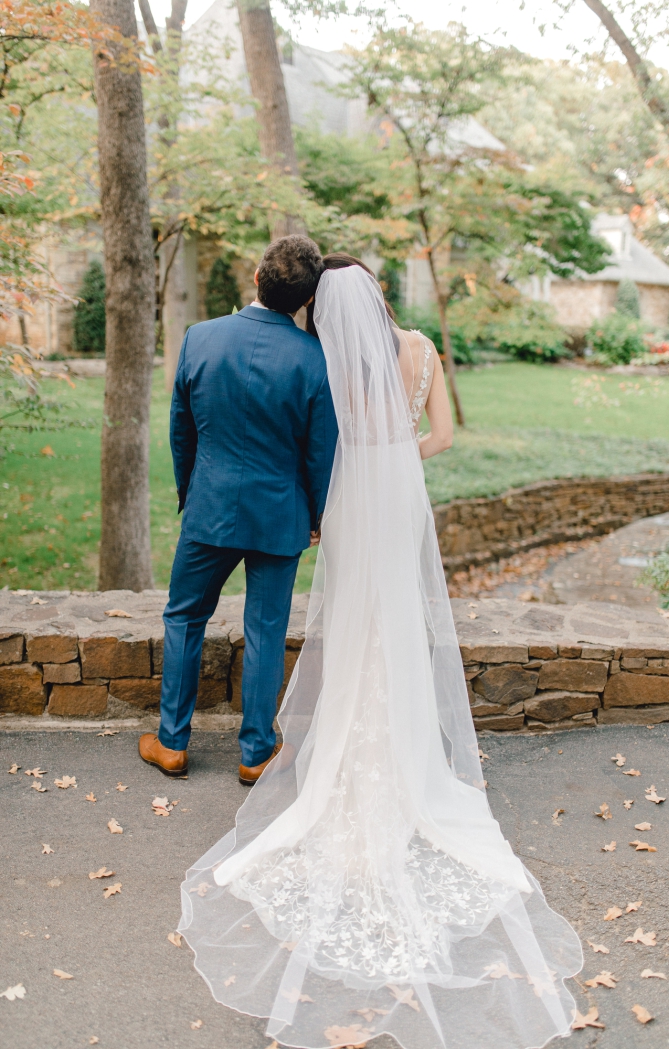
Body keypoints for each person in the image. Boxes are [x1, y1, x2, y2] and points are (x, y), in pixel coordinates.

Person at [176, 261, 581, 1049]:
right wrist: (401, 457)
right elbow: (443, 436)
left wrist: (357, 468)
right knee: (398, 619)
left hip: (352, 495)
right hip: (402, 496)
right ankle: (406, 752)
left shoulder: (329, 356)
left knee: (354, 621)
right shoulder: (423, 349)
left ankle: (353, 748)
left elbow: (320, 438)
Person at [142, 235, 336, 784]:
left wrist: (191, 492)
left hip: (210, 507)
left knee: (184, 616)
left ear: (257, 277)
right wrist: (317, 516)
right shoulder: (315, 359)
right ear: (306, 299)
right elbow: (321, 454)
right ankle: (255, 753)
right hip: (279, 516)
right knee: (266, 630)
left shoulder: (200, 338)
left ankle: (171, 743)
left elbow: (182, 430)